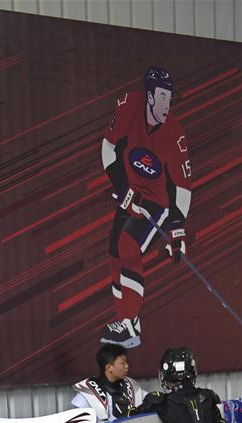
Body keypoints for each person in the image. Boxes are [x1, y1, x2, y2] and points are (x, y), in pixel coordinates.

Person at [100, 67, 192, 349]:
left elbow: (183, 188)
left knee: (128, 245)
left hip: (156, 203)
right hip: (130, 191)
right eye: (162, 97)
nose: (167, 105)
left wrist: (177, 229)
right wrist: (123, 189)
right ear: (150, 96)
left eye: (170, 98)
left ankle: (129, 321)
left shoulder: (175, 135)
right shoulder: (129, 106)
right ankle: (128, 323)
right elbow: (108, 148)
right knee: (115, 252)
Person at [72, 343, 144, 422]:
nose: (127, 366)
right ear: (109, 367)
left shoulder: (131, 386)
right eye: (122, 363)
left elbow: (147, 399)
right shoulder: (88, 394)